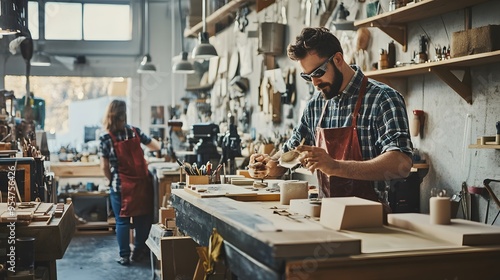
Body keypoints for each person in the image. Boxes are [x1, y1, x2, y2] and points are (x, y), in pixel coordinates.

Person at [250, 27, 413, 212]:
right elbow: (290, 153)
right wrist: (267, 165)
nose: (314, 83)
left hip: (372, 220)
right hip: (326, 216)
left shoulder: (383, 99)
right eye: (307, 76)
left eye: (318, 72)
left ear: (337, 59)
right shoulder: (315, 106)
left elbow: (402, 163)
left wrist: (335, 166)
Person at [99, 100, 161, 265]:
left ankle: (124, 256)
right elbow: (156, 146)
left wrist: (111, 179)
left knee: (122, 220)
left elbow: (104, 166)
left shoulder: (106, 137)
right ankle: (139, 252)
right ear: (124, 114)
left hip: (120, 185)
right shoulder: (135, 131)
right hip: (141, 183)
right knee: (142, 219)